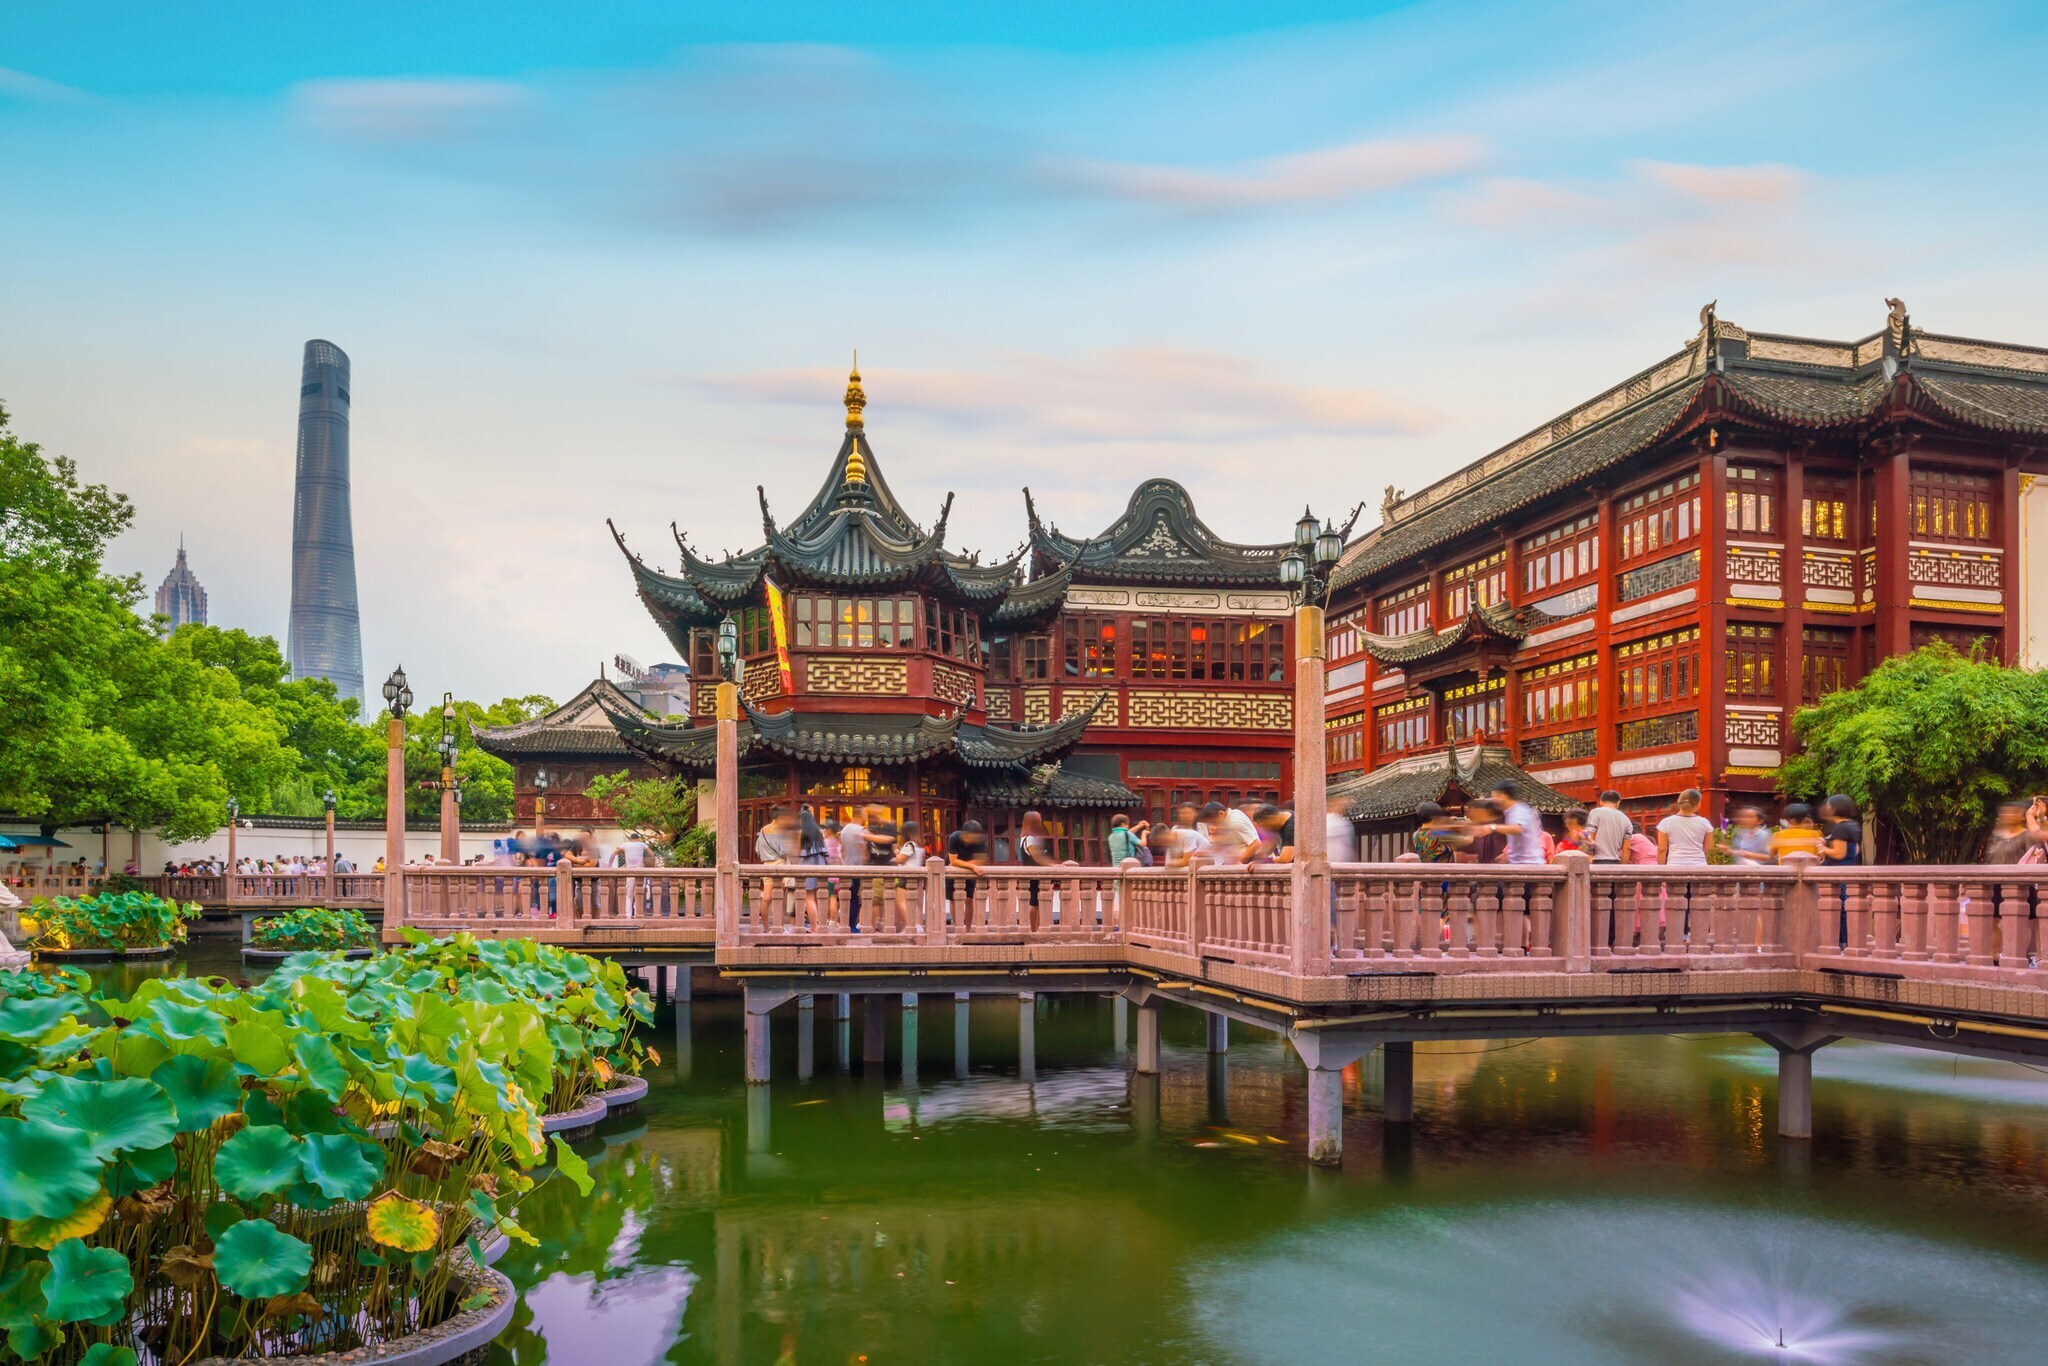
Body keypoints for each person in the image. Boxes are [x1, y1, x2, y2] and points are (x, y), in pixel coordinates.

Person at [1656, 789, 1714, 867]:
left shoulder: (1666, 823)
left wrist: (1661, 871)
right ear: (1698, 804)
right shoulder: (1705, 823)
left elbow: (1662, 850)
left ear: (1679, 802)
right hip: (1699, 867)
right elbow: (1709, 850)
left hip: (1675, 867)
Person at [945, 821, 987, 923]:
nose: (974, 840)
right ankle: (957, 926)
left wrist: (960, 864)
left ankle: (967, 930)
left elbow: (980, 860)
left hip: (970, 870)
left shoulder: (979, 840)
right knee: (953, 899)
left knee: (969, 899)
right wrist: (972, 865)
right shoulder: (954, 838)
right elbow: (952, 860)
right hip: (957, 869)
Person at [1198, 801, 1259, 866]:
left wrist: (1235, 864)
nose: (1214, 825)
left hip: (1250, 860)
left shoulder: (1235, 823)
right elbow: (1224, 843)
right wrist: (1209, 852)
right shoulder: (1232, 814)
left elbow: (1256, 844)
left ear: (1221, 813)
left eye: (1214, 822)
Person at [1584, 790, 1633, 864]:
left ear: (1601, 801)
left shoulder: (1595, 813)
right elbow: (1627, 848)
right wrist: (1623, 867)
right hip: (1615, 862)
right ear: (1618, 803)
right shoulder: (1626, 820)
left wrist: (1589, 860)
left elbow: (1589, 838)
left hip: (1597, 861)